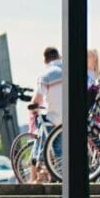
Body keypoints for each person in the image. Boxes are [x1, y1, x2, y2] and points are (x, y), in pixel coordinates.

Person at [29, 47, 63, 183]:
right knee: (59, 149)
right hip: (68, 119)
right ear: (59, 56)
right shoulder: (70, 70)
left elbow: (38, 99)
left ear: (45, 60)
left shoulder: (46, 74)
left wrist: (33, 107)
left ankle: (41, 169)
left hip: (52, 118)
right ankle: (60, 176)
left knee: (44, 141)